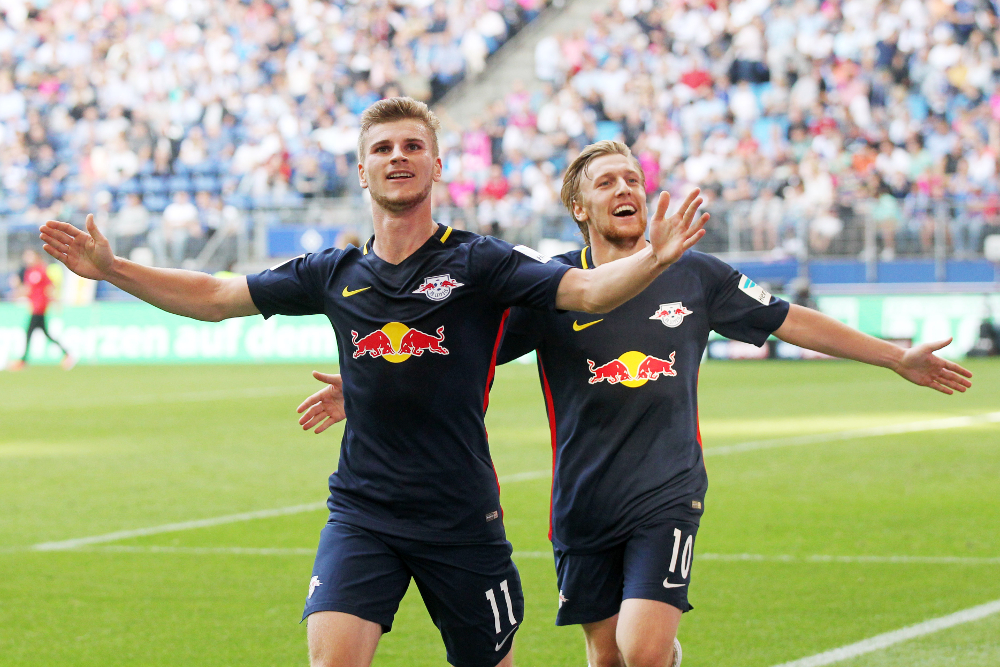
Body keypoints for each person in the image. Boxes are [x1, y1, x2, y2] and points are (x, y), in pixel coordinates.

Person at [38, 99, 708, 667]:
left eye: (413, 144)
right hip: (364, 508)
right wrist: (115, 269)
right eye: (382, 147)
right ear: (362, 170)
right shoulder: (333, 272)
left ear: (436, 166)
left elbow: (588, 290)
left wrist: (654, 256)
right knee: (332, 655)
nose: (398, 155)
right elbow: (216, 295)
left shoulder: (479, 262)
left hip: (460, 514)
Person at [295, 140, 974, 667]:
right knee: (608, 654)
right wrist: (367, 386)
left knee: (644, 647)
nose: (627, 189)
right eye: (607, 182)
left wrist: (893, 355)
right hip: (583, 502)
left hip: (666, 491)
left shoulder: (697, 275)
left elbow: (789, 318)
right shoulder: (553, 287)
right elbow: (459, 352)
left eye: (633, 180)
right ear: (580, 208)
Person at [7, 249, 74, 370]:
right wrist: (16, 291)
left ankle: (22, 361)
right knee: (45, 334)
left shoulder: (40, 270)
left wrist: (55, 301)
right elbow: (28, 290)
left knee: (29, 334)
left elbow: (50, 287)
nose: (27, 259)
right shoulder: (29, 272)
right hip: (34, 308)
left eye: (30, 256)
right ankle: (67, 354)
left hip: (40, 307)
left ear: (36, 257)